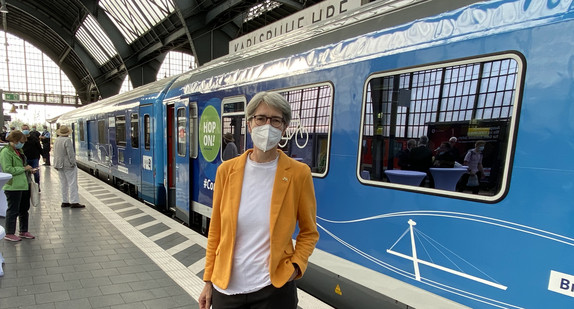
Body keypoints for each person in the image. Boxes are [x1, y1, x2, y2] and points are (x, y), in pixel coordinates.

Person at [199, 91, 319, 309]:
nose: (267, 125)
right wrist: (208, 281)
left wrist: (295, 266)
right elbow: (215, 229)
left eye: (276, 120)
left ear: (284, 127)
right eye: (261, 118)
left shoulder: (298, 174)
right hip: (227, 289)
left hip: (273, 289)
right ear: (250, 123)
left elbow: (309, 231)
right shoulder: (226, 171)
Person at [0, 130, 37, 241]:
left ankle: (23, 231)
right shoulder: (5, 152)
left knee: (24, 209)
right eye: (21, 141)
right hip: (13, 186)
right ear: (15, 140)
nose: (23, 144)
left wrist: (29, 170)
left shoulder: (19, 151)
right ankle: (9, 233)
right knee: (13, 210)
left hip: (23, 184)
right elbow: (7, 169)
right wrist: (24, 169)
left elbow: (22, 165)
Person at [53, 125, 85, 208]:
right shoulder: (67, 140)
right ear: (68, 133)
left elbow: (55, 152)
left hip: (59, 165)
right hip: (68, 165)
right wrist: (73, 163)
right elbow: (70, 153)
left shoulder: (57, 140)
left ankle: (65, 201)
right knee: (72, 183)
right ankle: (74, 202)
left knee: (63, 183)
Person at [21, 124, 43, 191]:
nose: (25, 131)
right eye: (24, 129)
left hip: (34, 158)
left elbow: (39, 147)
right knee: (26, 174)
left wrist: (43, 155)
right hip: (25, 159)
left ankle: (37, 186)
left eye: (26, 129)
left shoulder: (33, 138)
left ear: (29, 129)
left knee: (36, 173)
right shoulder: (20, 138)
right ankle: (27, 187)